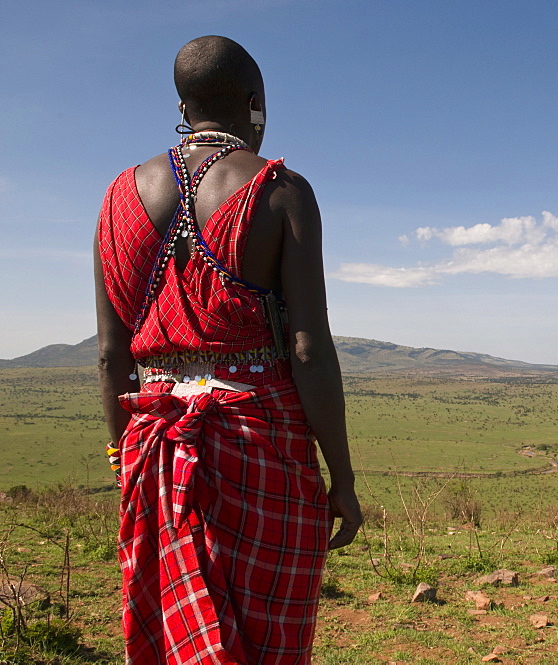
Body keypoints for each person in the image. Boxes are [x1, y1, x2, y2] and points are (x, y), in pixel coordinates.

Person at [94, 35, 362, 664]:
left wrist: (120, 455)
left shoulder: (117, 197)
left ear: (184, 106)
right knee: (268, 637)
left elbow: (112, 356)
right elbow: (308, 346)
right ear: (253, 102)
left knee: (174, 632)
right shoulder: (280, 189)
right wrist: (342, 478)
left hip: (153, 441)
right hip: (259, 437)